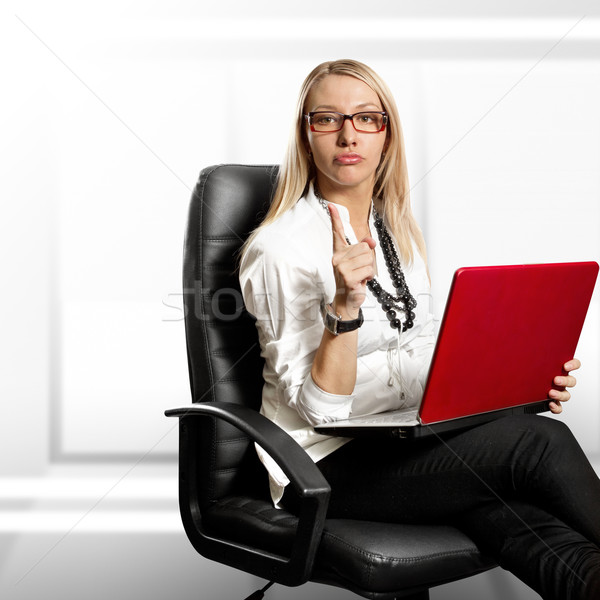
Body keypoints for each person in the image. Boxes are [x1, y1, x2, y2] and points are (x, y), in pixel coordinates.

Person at [238, 59, 600, 600]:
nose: (347, 134)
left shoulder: (395, 230)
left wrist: (511, 378)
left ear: (387, 135)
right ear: (305, 134)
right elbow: (321, 411)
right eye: (327, 118)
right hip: (323, 466)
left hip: (404, 435)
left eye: (366, 118)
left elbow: (420, 345)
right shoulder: (278, 250)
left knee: (526, 527)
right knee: (537, 445)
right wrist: (344, 307)